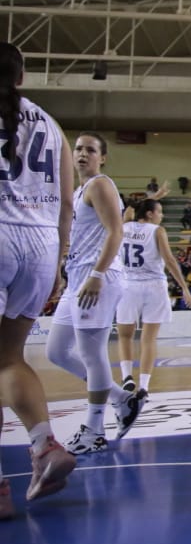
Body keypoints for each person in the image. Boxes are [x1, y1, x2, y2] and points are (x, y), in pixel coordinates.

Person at [0, 42, 78, 516]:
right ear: (21, 77)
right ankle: (44, 443)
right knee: (9, 357)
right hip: (41, 244)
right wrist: (60, 261)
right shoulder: (50, 124)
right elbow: (67, 202)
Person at [44, 132, 144, 454]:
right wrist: (62, 272)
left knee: (92, 354)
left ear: (102, 158)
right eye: (78, 149)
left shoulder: (100, 185)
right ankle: (121, 398)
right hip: (78, 279)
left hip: (98, 277)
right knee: (57, 351)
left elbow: (116, 231)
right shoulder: (79, 190)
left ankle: (94, 430)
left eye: (90, 150)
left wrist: (98, 274)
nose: (82, 154)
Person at [114, 199, 191, 396]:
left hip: (128, 285)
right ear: (150, 214)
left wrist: (154, 197)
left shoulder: (124, 226)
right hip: (154, 286)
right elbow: (170, 260)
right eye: (159, 211)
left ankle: (127, 376)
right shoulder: (157, 231)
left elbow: (130, 209)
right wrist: (184, 286)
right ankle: (144, 386)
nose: (162, 215)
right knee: (149, 339)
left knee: (124, 335)